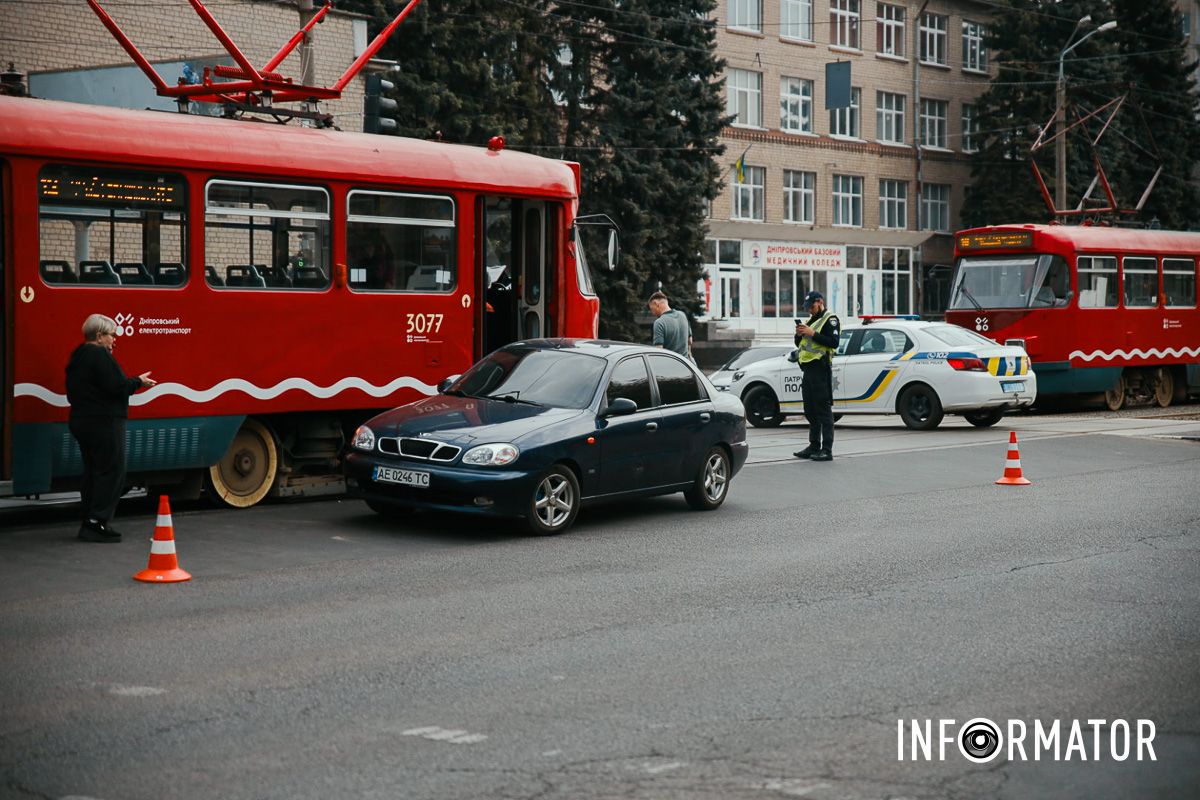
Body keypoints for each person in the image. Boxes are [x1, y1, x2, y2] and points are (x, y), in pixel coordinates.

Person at [66, 314, 156, 542]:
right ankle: (97, 522)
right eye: (112, 335)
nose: (115, 340)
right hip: (104, 421)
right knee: (112, 471)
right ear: (99, 335)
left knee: (92, 471)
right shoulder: (99, 355)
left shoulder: (77, 356)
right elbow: (117, 387)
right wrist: (138, 381)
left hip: (81, 420)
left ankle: (89, 519)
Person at [793, 290, 840, 462]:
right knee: (810, 410)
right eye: (807, 308)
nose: (809, 311)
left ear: (820, 302)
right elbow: (801, 343)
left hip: (821, 369)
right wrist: (799, 335)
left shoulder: (830, 319)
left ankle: (827, 449)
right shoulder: (811, 320)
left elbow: (833, 342)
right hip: (808, 370)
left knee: (823, 410)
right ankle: (814, 445)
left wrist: (812, 333)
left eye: (811, 307)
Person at [648, 291, 692, 358]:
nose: (652, 313)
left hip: (669, 366)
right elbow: (690, 341)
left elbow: (659, 351)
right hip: (684, 365)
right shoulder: (682, 315)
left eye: (652, 309)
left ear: (656, 304)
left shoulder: (659, 322)